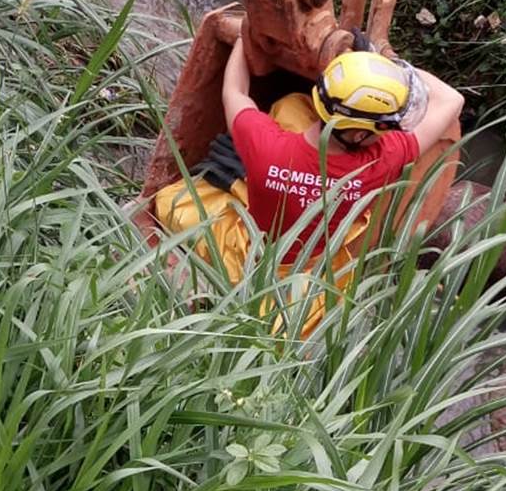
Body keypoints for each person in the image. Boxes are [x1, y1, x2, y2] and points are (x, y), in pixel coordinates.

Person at [154, 36, 464, 337]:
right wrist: (384, 57)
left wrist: (241, 39)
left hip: (248, 250)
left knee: (170, 201)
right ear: (358, 135)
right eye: (383, 128)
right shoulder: (382, 160)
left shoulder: (265, 146)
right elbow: (452, 99)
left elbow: (234, 92)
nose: (385, 135)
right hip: (303, 274)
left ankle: (244, 187)